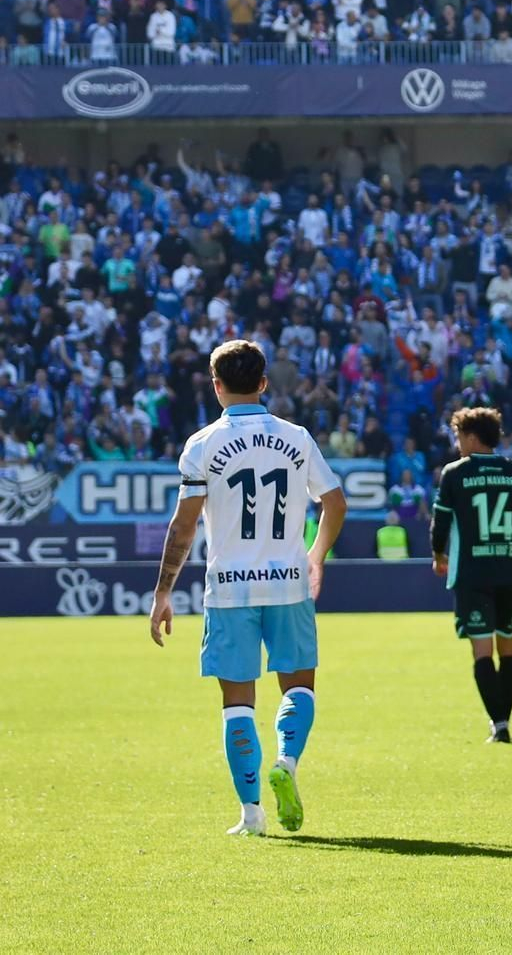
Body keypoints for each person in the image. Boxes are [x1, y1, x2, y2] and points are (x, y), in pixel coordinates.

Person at [148, 340, 348, 837]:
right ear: (263, 384)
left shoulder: (201, 445)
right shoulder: (297, 437)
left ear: (216, 386)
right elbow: (335, 502)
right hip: (289, 583)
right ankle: (287, 761)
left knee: (238, 702)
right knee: (298, 686)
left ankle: (251, 815)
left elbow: (184, 526)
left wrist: (163, 592)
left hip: (229, 589)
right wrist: (315, 556)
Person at [430, 407, 512, 744]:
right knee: (508, 646)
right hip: (509, 571)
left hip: (472, 574)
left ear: (471, 437)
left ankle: (499, 724)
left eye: (458, 437)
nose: (457, 445)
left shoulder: (454, 474)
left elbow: (440, 523)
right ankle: (504, 719)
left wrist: (438, 554)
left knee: (482, 651)